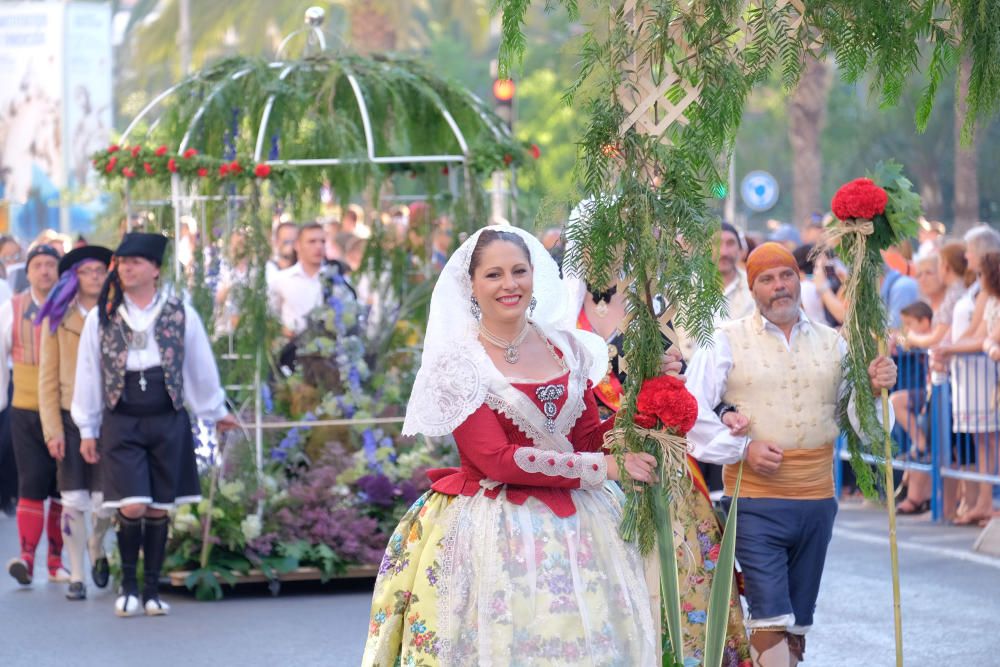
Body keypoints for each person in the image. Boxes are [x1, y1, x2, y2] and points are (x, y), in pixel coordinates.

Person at [362, 226, 664, 666]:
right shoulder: (458, 364)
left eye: (519, 271)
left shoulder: (566, 348)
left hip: (583, 526)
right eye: (494, 275)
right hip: (494, 525)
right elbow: (495, 461)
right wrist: (607, 469)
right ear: (473, 286)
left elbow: (582, 440)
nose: (510, 284)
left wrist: (642, 407)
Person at [686, 242, 896, 667]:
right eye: (766, 279)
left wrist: (875, 389)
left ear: (798, 281)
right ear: (753, 288)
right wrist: (742, 449)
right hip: (754, 503)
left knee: (796, 627)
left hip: (818, 502)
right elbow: (690, 414)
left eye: (786, 276)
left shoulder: (833, 343)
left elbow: (863, 423)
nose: (779, 286)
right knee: (770, 618)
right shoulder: (724, 341)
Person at [562, 217, 750, 661]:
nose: (604, 251)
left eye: (614, 240)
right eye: (592, 243)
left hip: (658, 460)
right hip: (596, 462)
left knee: (682, 570)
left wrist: (674, 374)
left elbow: (696, 373)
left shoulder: (654, 302)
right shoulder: (560, 313)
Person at [71, 232, 237, 616]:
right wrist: (87, 428)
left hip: (166, 415)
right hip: (122, 417)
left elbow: (198, 368)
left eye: (135, 262)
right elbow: (89, 374)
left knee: (160, 506)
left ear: (155, 270)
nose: (126, 268)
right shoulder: (104, 315)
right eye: (123, 262)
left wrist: (216, 411)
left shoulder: (180, 312)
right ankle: (127, 585)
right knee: (131, 504)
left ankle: (151, 591)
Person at [36, 245, 114, 599]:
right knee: (71, 499)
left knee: (104, 501)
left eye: (100, 270)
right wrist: (52, 429)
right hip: (69, 416)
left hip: (108, 417)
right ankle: (77, 573)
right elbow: (47, 379)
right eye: (87, 271)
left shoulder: (117, 313)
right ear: (75, 278)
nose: (95, 277)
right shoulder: (59, 318)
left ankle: (97, 544)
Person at [2, 244, 68, 586]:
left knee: (62, 486)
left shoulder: (70, 307)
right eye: (38, 265)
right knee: (31, 481)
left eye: (50, 265)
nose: (44, 271)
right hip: (25, 408)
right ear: (27, 273)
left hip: (64, 407)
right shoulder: (12, 309)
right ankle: (27, 557)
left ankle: (56, 562)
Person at [931, 226, 1000, 524]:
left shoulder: (986, 289)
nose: (965, 255)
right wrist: (949, 349)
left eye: (969, 250)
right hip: (970, 371)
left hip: (981, 371)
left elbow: (978, 332)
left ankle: (987, 500)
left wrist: (949, 350)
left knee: (987, 439)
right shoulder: (977, 286)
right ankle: (982, 500)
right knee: (981, 441)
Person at [890, 301, 935, 515]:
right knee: (920, 442)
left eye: (910, 324)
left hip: (939, 393)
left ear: (924, 321)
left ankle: (916, 496)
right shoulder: (916, 338)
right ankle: (914, 495)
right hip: (930, 393)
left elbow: (910, 339)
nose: (906, 329)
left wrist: (904, 337)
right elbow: (901, 339)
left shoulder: (933, 334)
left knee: (923, 440)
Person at [268, 222, 325, 338]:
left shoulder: (337, 280)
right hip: (292, 350)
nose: (319, 246)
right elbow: (269, 315)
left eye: (322, 241)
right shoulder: (281, 280)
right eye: (312, 241)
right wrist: (281, 330)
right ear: (297, 245)